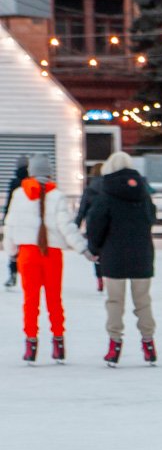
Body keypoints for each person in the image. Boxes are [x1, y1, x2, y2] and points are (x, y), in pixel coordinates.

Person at [2, 153, 90, 363]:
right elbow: (66, 226)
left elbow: (10, 225)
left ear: (31, 172)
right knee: (54, 299)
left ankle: (30, 344)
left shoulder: (19, 194)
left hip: (28, 253)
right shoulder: (57, 195)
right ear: (49, 172)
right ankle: (58, 343)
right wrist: (83, 249)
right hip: (51, 253)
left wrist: (11, 250)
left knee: (30, 300)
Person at [86, 151, 158, 367]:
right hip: (142, 255)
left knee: (115, 302)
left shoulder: (106, 194)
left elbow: (95, 224)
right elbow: (151, 218)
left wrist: (95, 248)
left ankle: (114, 346)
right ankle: (149, 344)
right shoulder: (143, 193)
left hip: (114, 256)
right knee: (143, 302)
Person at [74, 163, 106, 291]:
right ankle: (109, 274)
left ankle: (99, 278)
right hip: (107, 223)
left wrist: (76, 225)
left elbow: (82, 210)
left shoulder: (89, 189)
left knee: (95, 253)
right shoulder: (109, 188)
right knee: (107, 249)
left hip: (92, 224)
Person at [4, 155, 29, 290]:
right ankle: (29, 275)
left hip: (16, 219)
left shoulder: (14, 182)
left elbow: (9, 202)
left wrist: (6, 218)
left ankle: (13, 273)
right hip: (30, 221)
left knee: (13, 248)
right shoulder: (32, 182)